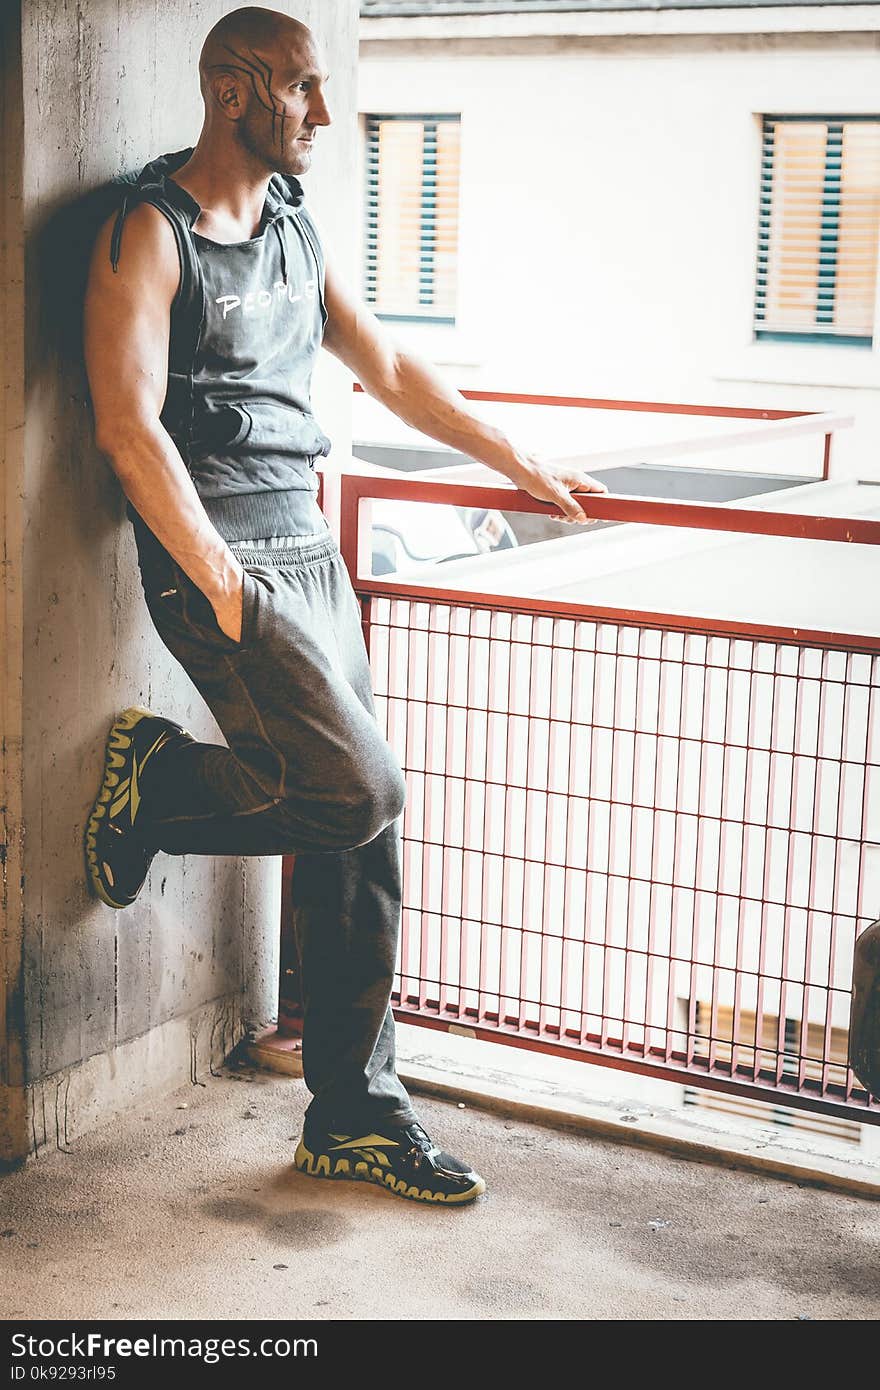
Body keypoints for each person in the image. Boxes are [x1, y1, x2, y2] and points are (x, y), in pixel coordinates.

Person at [82, 5, 607, 1208]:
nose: (325, 113)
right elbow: (126, 423)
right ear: (232, 91)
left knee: (365, 833)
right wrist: (222, 584)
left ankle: (353, 1112)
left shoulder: (294, 227)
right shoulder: (149, 232)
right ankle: (156, 783)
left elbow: (390, 368)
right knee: (358, 789)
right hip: (224, 557)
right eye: (303, 88)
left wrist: (511, 460)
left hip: (310, 548)